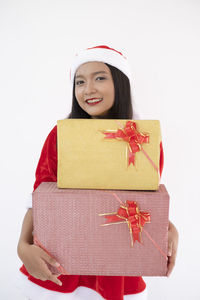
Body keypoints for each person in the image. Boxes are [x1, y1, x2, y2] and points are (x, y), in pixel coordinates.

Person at [16, 45, 179, 300]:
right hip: (59, 264)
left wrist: (170, 229)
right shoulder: (60, 135)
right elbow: (41, 193)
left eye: (100, 78)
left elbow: (142, 199)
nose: (88, 89)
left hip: (115, 267)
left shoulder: (142, 141)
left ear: (121, 83)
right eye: (79, 82)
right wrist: (22, 246)